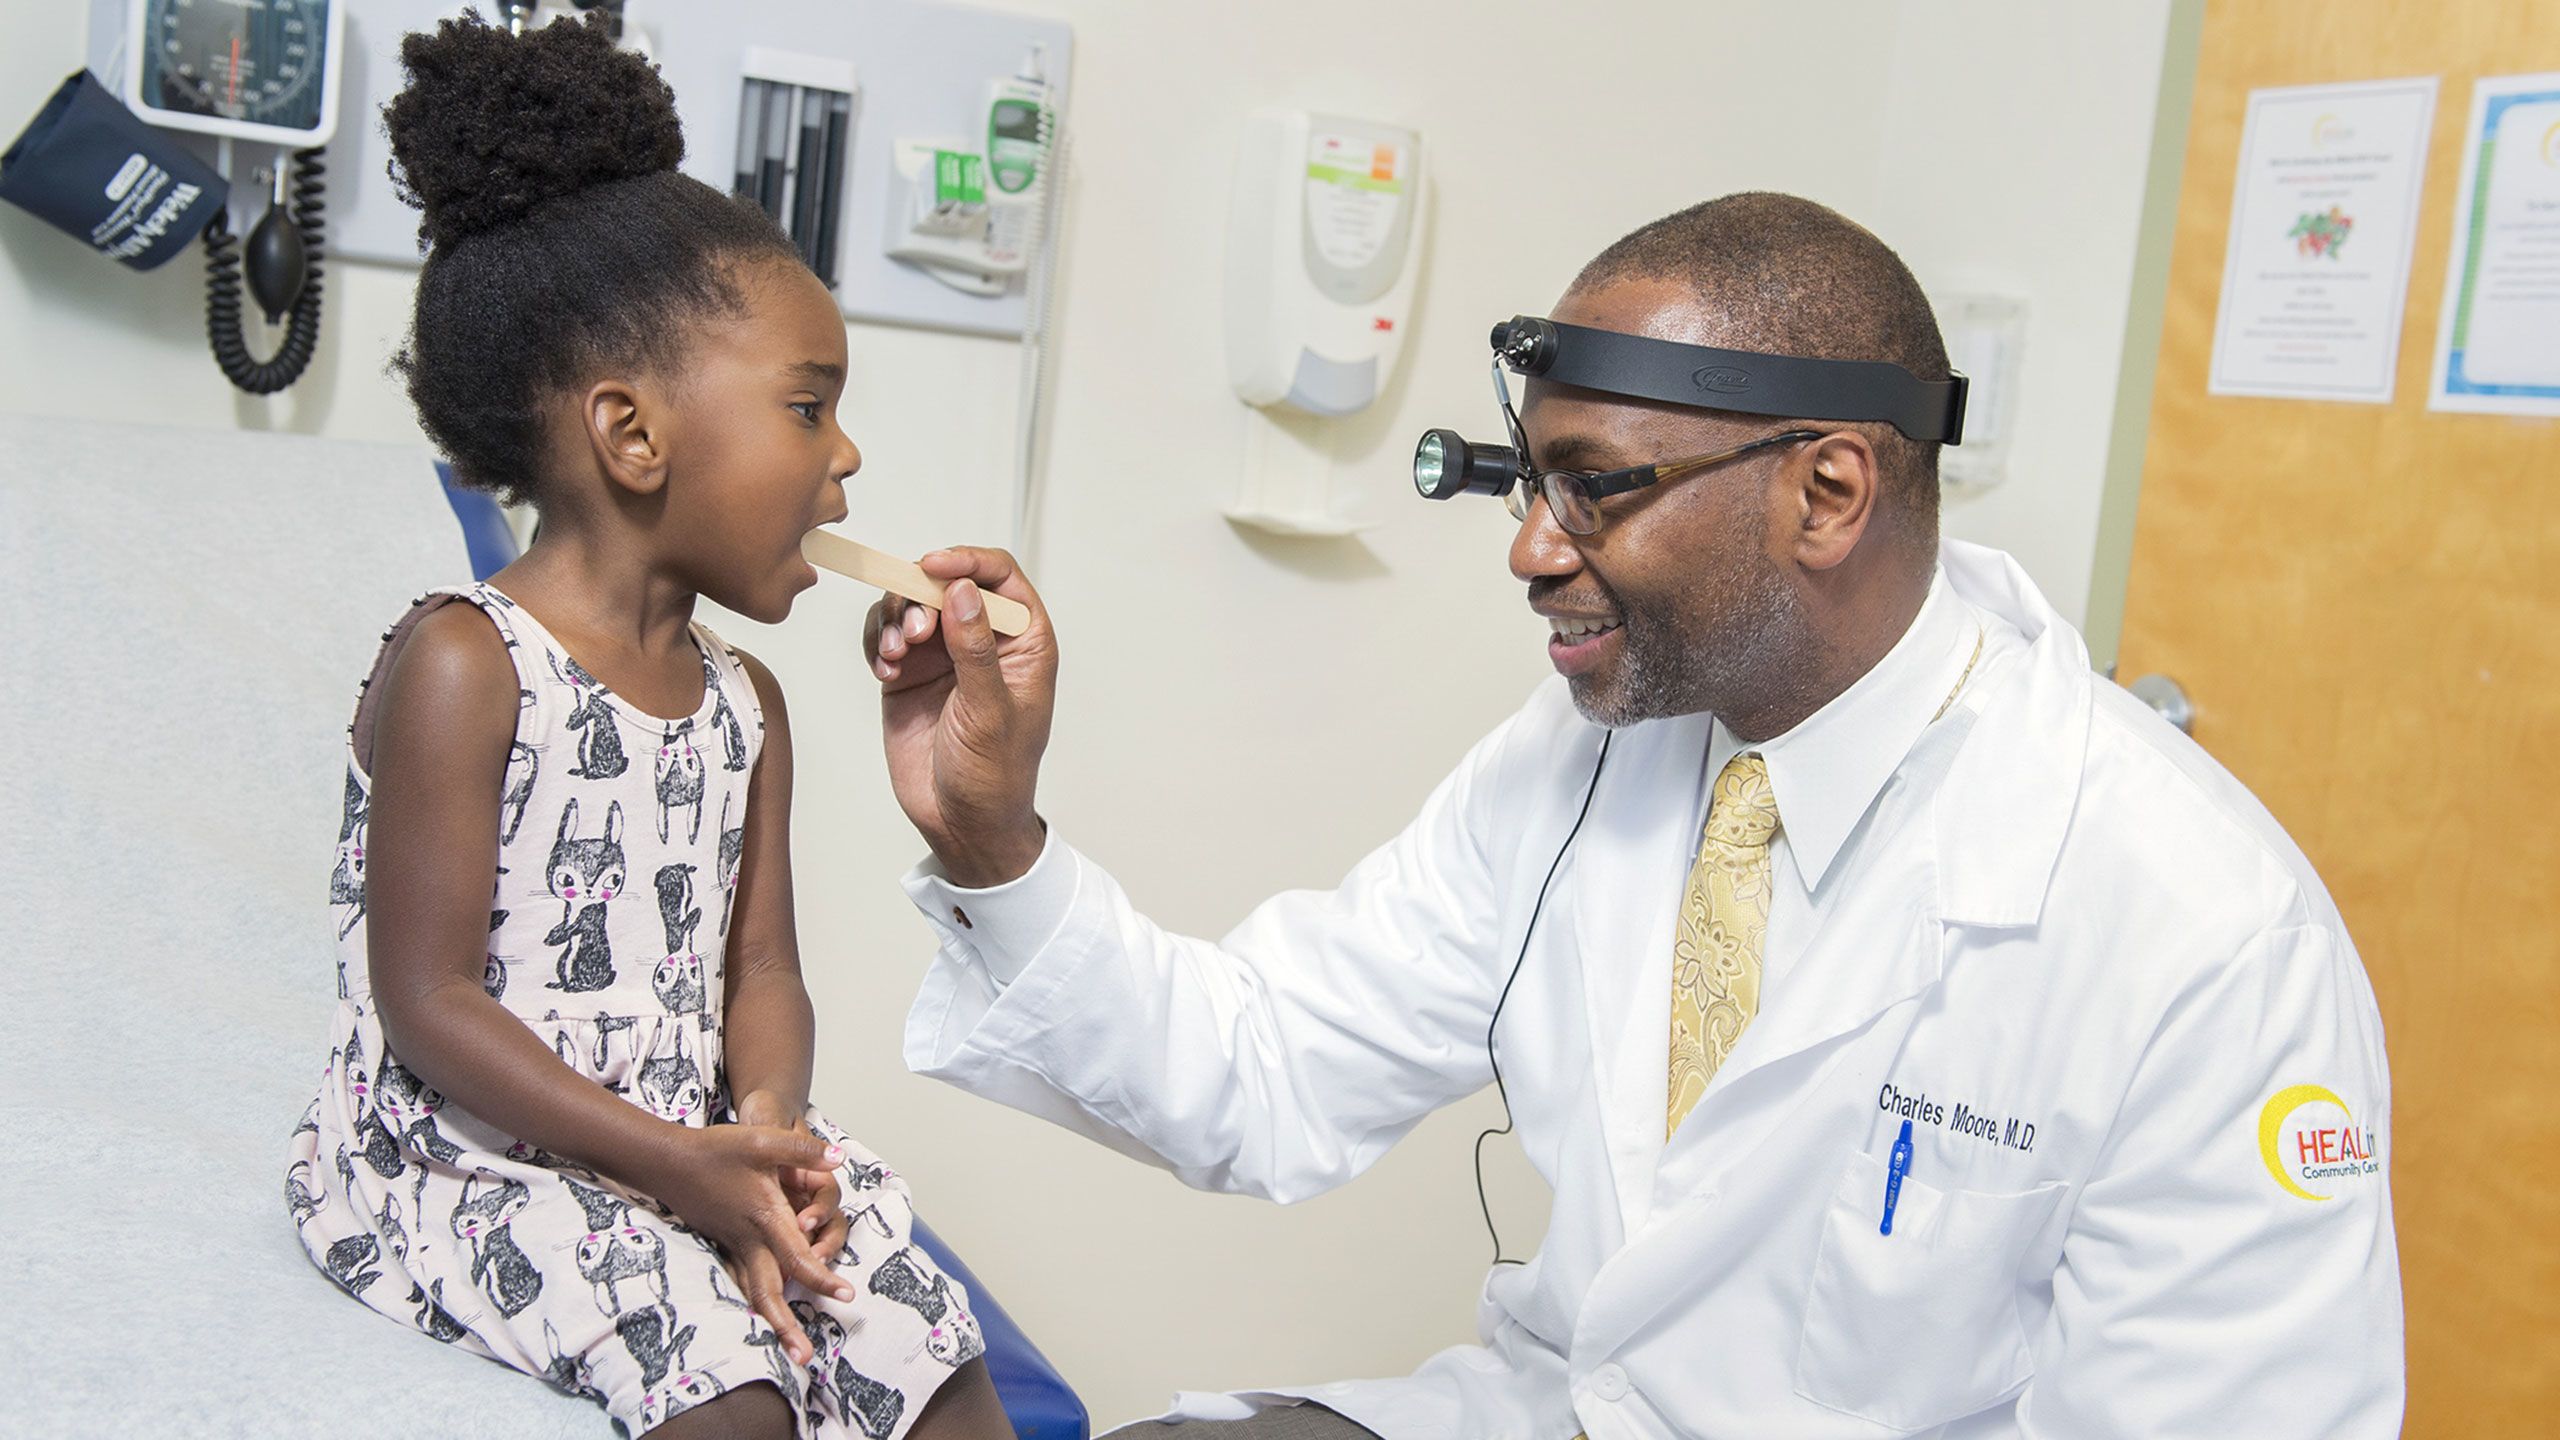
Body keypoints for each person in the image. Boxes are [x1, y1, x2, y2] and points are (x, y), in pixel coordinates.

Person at [861, 192, 2404, 1438]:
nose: (1531, 550)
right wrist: (993, 840)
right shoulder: (1590, 753)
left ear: (1829, 492)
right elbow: (1269, 1071)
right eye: (1525, 484)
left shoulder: (2199, 931)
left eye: (1595, 489)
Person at [285, 18, 1011, 1440]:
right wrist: (676, 1168)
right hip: (481, 1158)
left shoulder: (751, 705)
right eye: (810, 407)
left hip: (692, 1146)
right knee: (731, 1396)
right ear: (633, 437)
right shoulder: (463, 664)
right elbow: (428, 1009)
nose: (847, 456)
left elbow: (763, 970)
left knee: (931, 1354)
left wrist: (765, 1133)